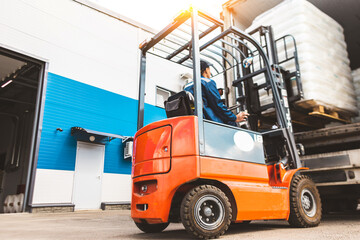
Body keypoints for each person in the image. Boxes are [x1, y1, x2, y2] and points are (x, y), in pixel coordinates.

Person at [184, 61, 249, 126]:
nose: (210, 73)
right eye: (209, 70)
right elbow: (217, 105)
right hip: (208, 119)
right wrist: (234, 117)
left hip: (194, 120)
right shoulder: (207, 82)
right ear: (206, 70)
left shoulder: (186, 86)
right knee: (232, 123)